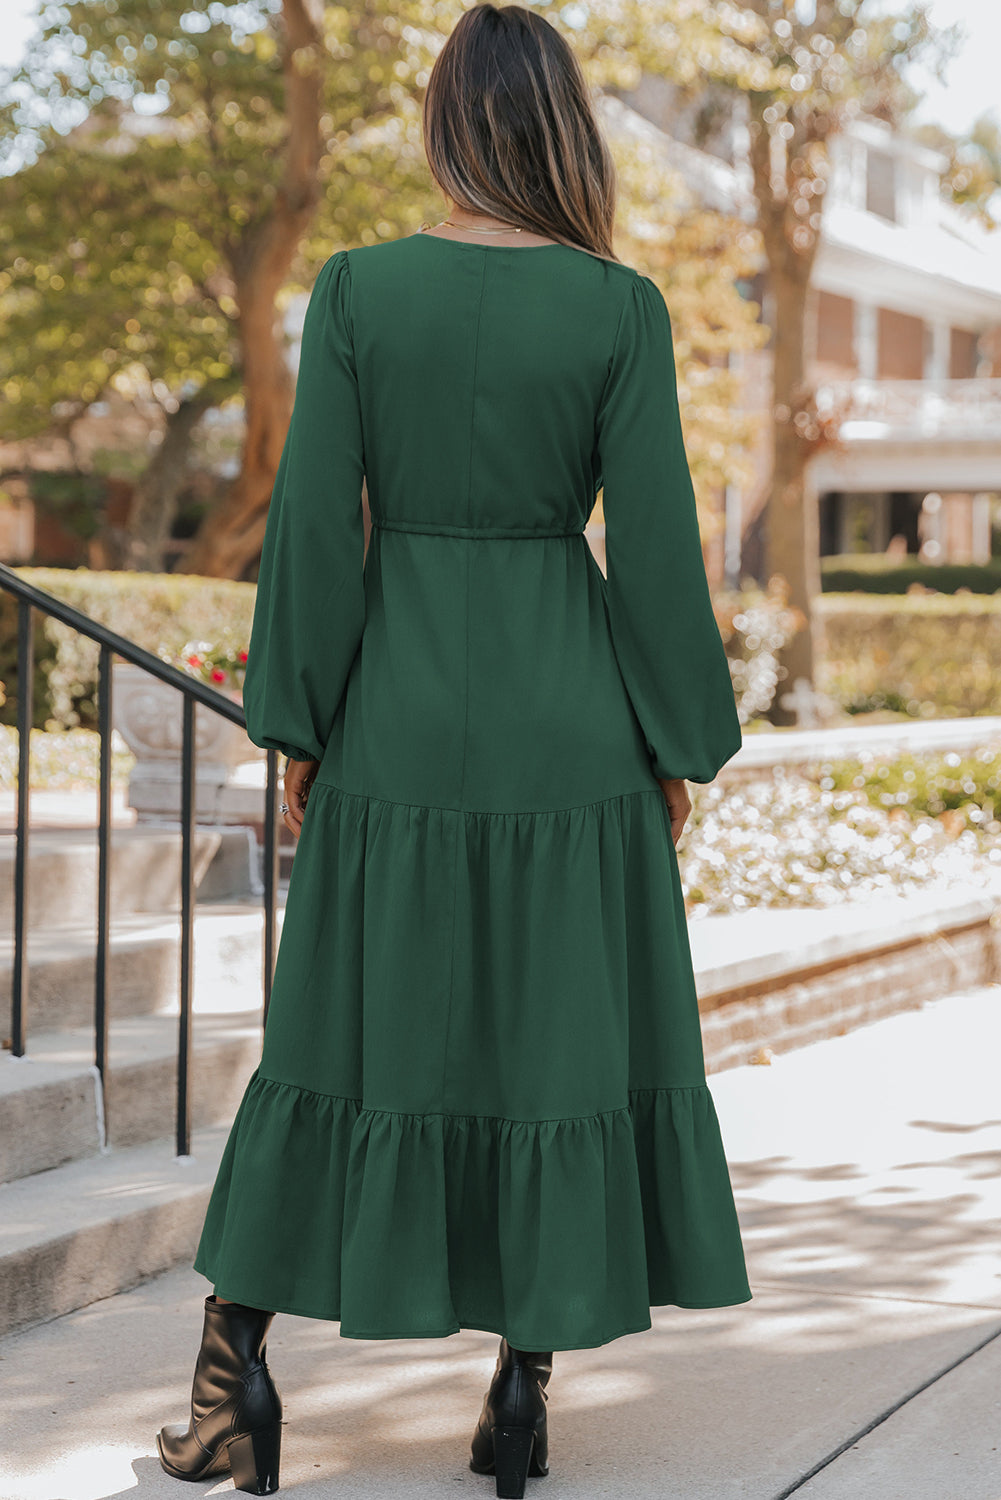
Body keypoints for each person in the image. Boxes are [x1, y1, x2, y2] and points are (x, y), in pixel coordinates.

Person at [156, 5, 751, 1495]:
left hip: (399, 725)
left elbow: (311, 526)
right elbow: (661, 551)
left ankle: (234, 1383)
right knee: (549, 1043)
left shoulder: (357, 292)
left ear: (440, 126)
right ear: (564, 131)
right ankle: (518, 1395)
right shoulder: (619, 309)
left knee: (335, 1043)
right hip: (571, 730)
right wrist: (681, 738)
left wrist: (297, 716)